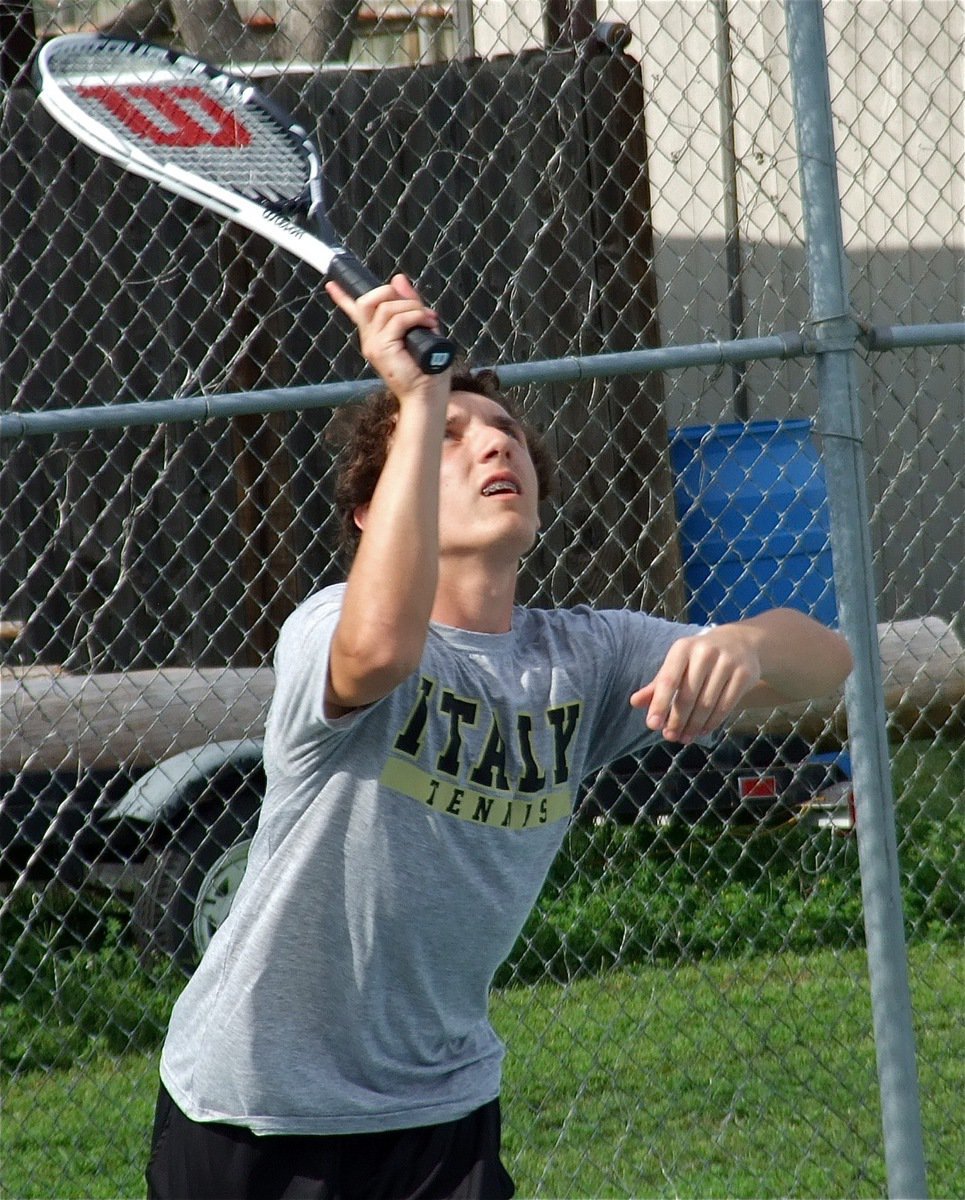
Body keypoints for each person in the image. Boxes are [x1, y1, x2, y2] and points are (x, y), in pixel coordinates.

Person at [147, 276, 853, 1200]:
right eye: (448, 437)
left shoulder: (585, 656)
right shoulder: (326, 624)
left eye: (505, 432)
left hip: (443, 1104)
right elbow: (378, 650)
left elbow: (828, 661)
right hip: (258, 1108)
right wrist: (416, 396)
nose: (492, 442)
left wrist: (747, 642)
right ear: (372, 513)